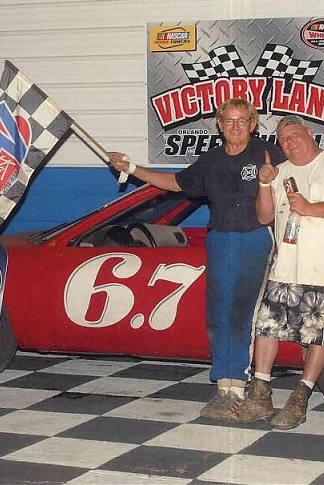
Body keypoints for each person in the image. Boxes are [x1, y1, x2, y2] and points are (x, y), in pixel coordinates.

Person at [109, 97, 284, 421]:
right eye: (228, 120)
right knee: (218, 312)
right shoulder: (211, 160)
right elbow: (175, 183)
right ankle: (224, 386)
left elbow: (299, 179)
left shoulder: (268, 153)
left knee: (242, 312)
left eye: (241, 120)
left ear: (253, 124)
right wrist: (132, 169)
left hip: (254, 238)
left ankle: (239, 385)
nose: (235, 126)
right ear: (219, 125)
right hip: (219, 239)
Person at [232, 116, 324, 429]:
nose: (290, 142)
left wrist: (310, 208)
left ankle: (300, 396)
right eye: (283, 139)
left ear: (310, 133)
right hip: (285, 268)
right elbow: (264, 216)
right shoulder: (280, 172)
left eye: (295, 135)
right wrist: (264, 183)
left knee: (317, 334)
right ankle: (260, 393)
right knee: (266, 328)